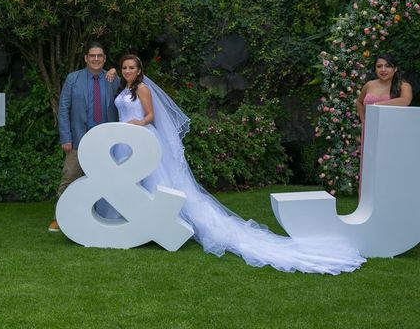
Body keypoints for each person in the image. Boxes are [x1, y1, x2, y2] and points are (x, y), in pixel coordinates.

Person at [110, 54, 365, 274]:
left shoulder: (143, 88)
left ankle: (161, 223)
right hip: (126, 141)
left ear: (140, 70)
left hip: (141, 137)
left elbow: (151, 115)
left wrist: (138, 124)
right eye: (124, 68)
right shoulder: (124, 89)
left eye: (132, 67)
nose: (128, 71)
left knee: (155, 181)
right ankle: (138, 221)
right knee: (134, 182)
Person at [49, 42, 120, 232]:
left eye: (100, 56)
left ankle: (97, 217)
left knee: (103, 179)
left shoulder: (112, 79)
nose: (96, 59)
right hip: (79, 140)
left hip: (106, 142)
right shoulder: (73, 79)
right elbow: (64, 110)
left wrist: (114, 70)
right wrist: (66, 137)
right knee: (70, 177)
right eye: (92, 55)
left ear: (104, 59)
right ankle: (59, 217)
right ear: (86, 58)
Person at [356, 54, 412, 197]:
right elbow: (359, 102)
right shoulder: (369, 85)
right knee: (369, 167)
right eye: (379, 66)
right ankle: (366, 201)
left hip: (392, 135)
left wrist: (378, 105)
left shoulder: (403, 86)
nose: (383, 69)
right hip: (371, 133)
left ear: (395, 68)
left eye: (387, 66)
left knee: (388, 169)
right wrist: (364, 120)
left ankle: (389, 198)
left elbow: (405, 101)